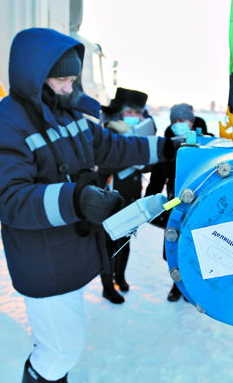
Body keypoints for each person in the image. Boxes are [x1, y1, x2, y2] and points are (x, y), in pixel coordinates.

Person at [0, 28, 174, 383]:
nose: (70, 88)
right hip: (43, 260)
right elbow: (8, 199)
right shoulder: (5, 126)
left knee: (59, 348)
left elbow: (114, 147)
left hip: (67, 252)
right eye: (61, 80)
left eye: (73, 79)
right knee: (60, 350)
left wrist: (164, 149)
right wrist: (75, 199)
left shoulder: (68, 116)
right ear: (34, 77)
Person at [145, 103, 213, 302]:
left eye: (182, 120)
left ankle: (194, 286)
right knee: (174, 245)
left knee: (199, 245)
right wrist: (151, 204)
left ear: (191, 122)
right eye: (174, 121)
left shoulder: (207, 143)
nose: (178, 124)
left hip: (202, 203)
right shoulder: (167, 145)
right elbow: (156, 180)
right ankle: (177, 285)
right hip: (175, 203)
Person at [97, 88, 154, 304]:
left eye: (136, 112)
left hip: (131, 197)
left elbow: (149, 164)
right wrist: (129, 160)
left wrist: (142, 160)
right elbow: (102, 165)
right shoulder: (107, 133)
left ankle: (120, 277)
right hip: (108, 198)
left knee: (125, 241)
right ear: (120, 112)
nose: (133, 116)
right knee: (108, 243)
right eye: (129, 111)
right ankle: (107, 285)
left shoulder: (140, 133)